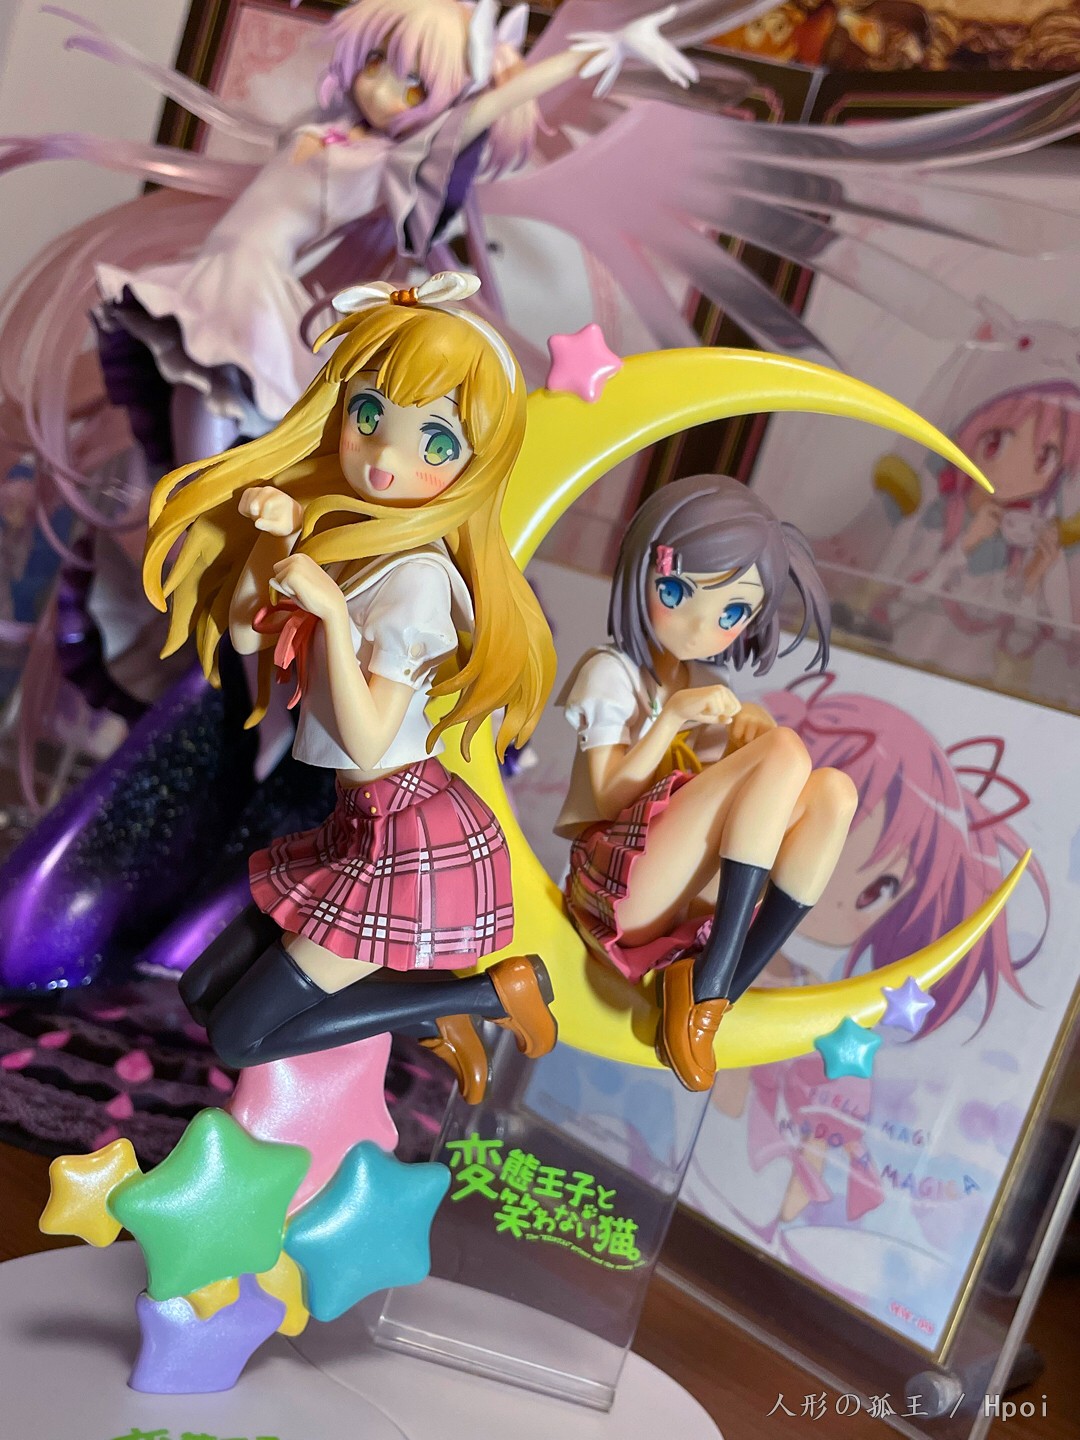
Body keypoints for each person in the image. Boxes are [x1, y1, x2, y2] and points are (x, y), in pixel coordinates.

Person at [146, 271, 558, 1102]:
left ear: (473, 467)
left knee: (238, 1035)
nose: (384, 457)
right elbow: (245, 633)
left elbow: (368, 735)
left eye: (434, 443)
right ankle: (424, 1006)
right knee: (201, 989)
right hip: (356, 823)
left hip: (411, 833)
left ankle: (485, 995)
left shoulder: (417, 582)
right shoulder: (353, 541)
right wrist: (273, 541)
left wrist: (333, 618)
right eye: (369, 416)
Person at [555, 475, 857, 1091]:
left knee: (833, 792)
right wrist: (670, 719)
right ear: (643, 570)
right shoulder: (611, 673)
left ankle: (721, 991)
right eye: (676, 591)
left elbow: (726, 794)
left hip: (679, 892)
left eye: (730, 613)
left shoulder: (704, 682)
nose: (699, 627)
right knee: (785, 750)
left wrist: (748, 734)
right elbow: (610, 797)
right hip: (613, 886)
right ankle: (710, 982)